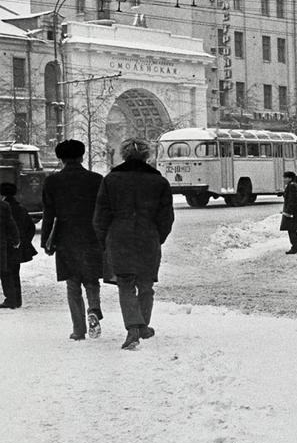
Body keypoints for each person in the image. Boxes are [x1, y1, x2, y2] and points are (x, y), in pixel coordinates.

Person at [93, 138, 175, 350]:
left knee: (126, 284)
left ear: (124, 154)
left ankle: (132, 329)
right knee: (146, 284)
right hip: (148, 236)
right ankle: (143, 326)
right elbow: (166, 218)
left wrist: (106, 239)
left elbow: (100, 216)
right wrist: (158, 236)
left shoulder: (111, 180)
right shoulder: (159, 182)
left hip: (119, 236)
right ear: (147, 156)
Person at [41, 139, 105, 341]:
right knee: (91, 280)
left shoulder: (52, 181)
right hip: (91, 235)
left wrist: (46, 242)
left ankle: (78, 330)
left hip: (66, 236)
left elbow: (48, 213)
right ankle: (93, 309)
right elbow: (103, 211)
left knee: (72, 283)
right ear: (82, 156)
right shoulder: (96, 180)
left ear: (61, 159)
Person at [0, 183, 35, 308]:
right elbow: (31, 227)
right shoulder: (21, 208)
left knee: (5, 274)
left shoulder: (3, 207)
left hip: (5, 246)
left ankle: (11, 299)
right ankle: (17, 299)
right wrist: (24, 241)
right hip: (18, 246)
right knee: (15, 273)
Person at [280, 171, 297, 254]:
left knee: (291, 230)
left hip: (291, 212)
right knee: (292, 229)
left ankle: (295, 247)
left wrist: (288, 212)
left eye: (285, 178)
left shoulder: (292, 186)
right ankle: (296, 246)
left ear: (290, 178)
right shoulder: (293, 185)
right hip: (293, 211)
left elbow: (292, 200)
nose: (284, 179)